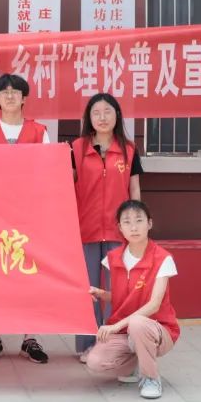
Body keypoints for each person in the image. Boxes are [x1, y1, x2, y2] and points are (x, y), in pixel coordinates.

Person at [0, 74, 50, 364]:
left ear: (24, 97)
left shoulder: (40, 131)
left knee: (29, 274)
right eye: (3, 92)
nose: (9, 96)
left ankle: (30, 337)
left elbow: (48, 173)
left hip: (30, 216)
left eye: (15, 91)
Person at [71, 93, 143, 362]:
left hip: (118, 231)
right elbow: (66, 186)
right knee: (88, 290)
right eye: (96, 113)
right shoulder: (77, 148)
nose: (102, 118)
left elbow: (134, 190)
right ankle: (87, 344)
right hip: (85, 228)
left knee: (118, 290)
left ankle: (113, 343)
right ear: (88, 118)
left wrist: (136, 227)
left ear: (117, 116)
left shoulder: (129, 149)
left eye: (108, 112)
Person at [86, 199, 179, 400]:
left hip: (158, 329)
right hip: (125, 331)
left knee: (137, 323)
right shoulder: (113, 258)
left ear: (149, 223)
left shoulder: (163, 258)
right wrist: (101, 294)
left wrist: (115, 326)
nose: (134, 227)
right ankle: (136, 364)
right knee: (95, 362)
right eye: (127, 222)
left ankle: (151, 378)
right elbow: (122, 297)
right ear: (120, 227)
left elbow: (154, 304)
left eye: (139, 220)